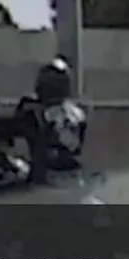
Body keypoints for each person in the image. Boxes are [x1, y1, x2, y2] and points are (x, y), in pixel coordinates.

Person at [19, 56, 87, 184]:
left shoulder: (71, 113)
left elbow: (71, 144)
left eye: (54, 80)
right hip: (40, 172)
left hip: (63, 173)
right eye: (48, 80)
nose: (50, 84)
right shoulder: (32, 107)